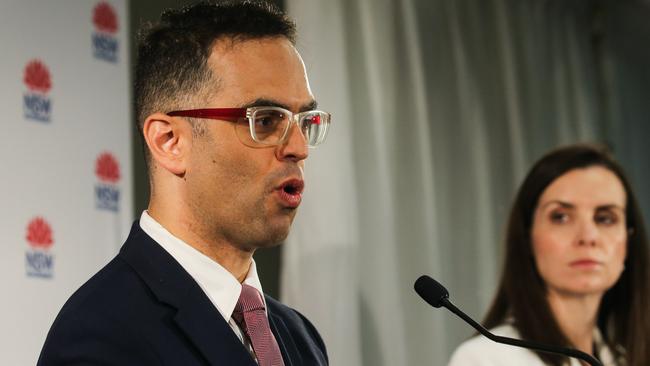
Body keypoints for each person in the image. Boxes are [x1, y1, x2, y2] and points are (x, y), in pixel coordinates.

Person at [38, 1, 330, 365]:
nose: (299, 147)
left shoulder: (299, 337)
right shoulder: (101, 337)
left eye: (305, 120)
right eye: (267, 121)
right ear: (169, 142)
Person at [448, 144, 650, 366]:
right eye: (561, 217)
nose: (588, 236)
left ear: (629, 240)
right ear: (526, 237)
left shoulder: (624, 357)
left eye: (605, 218)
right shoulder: (486, 359)